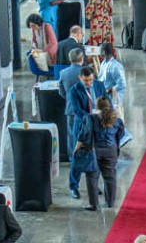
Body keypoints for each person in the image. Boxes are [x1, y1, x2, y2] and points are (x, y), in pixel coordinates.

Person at [82, 96, 129, 210]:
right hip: (111, 150)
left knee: (92, 177)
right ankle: (110, 202)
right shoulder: (116, 119)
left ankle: (93, 204)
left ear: (96, 106)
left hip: (95, 151)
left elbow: (86, 134)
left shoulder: (91, 118)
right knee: (110, 176)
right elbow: (121, 134)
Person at [61, 60, 98, 198]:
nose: (89, 83)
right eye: (86, 80)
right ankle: (73, 186)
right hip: (82, 126)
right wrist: (91, 116)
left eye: (90, 80)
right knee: (78, 156)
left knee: (95, 155)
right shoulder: (73, 91)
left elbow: (104, 100)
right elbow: (76, 110)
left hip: (96, 125)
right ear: (80, 78)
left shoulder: (97, 86)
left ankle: (93, 184)